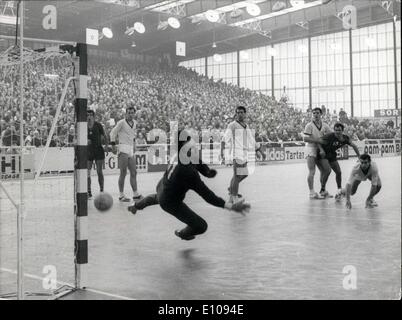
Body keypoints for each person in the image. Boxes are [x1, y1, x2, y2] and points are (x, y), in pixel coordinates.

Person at [128, 131, 250, 241]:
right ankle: (182, 233)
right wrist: (230, 206)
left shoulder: (180, 154)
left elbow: (198, 162)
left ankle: (136, 206)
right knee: (201, 226)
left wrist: (207, 172)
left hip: (162, 186)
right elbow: (207, 195)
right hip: (170, 202)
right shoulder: (187, 171)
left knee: (156, 197)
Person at [317, 122, 361, 200]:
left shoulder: (345, 138)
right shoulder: (329, 136)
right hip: (323, 154)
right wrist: (321, 150)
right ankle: (322, 190)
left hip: (331, 154)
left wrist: (359, 156)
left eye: (339, 130)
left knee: (338, 172)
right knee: (327, 171)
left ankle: (339, 190)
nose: (337, 132)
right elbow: (318, 141)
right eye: (336, 130)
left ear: (342, 131)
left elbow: (354, 146)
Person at [110, 106, 143, 202]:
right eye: (129, 113)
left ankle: (136, 194)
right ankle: (121, 195)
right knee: (123, 173)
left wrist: (134, 145)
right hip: (122, 147)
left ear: (134, 114)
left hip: (130, 149)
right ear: (126, 114)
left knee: (134, 172)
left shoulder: (135, 123)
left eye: (132, 113)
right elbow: (112, 133)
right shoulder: (121, 122)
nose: (131, 114)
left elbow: (132, 136)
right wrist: (113, 145)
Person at [224, 106, 255, 203]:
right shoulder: (232, 125)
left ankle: (231, 189)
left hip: (244, 153)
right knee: (237, 175)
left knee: (244, 173)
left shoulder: (246, 125)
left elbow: (251, 139)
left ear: (245, 113)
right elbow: (225, 139)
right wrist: (223, 152)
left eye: (242, 112)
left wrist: (258, 149)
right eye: (238, 112)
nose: (240, 114)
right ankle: (234, 197)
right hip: (236, 152)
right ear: (236, 114)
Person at [303, 107, 332, 199]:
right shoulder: (309, 125)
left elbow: (331, 135)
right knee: (312, 171)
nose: (315, 115)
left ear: (321, 114)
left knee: (326, 170)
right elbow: (305, 139)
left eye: (317, 113)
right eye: (314, 113)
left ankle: (323, 190)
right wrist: (319, 140)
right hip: (311, 148)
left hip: (320, 149)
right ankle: (311, 192)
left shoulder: (325, 125)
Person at [87, 110, 107, 199]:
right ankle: (88, 191)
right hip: (88, 151)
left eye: (91, 115)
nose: (89, 116)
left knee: (99, 172)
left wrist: (106, 146)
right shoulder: (83, 126)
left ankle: (102, 190)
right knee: (87, 172)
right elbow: (78, 139)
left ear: (94, 116)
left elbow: (105, 136)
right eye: (87, 115)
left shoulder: (98, 125)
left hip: (98, 149)